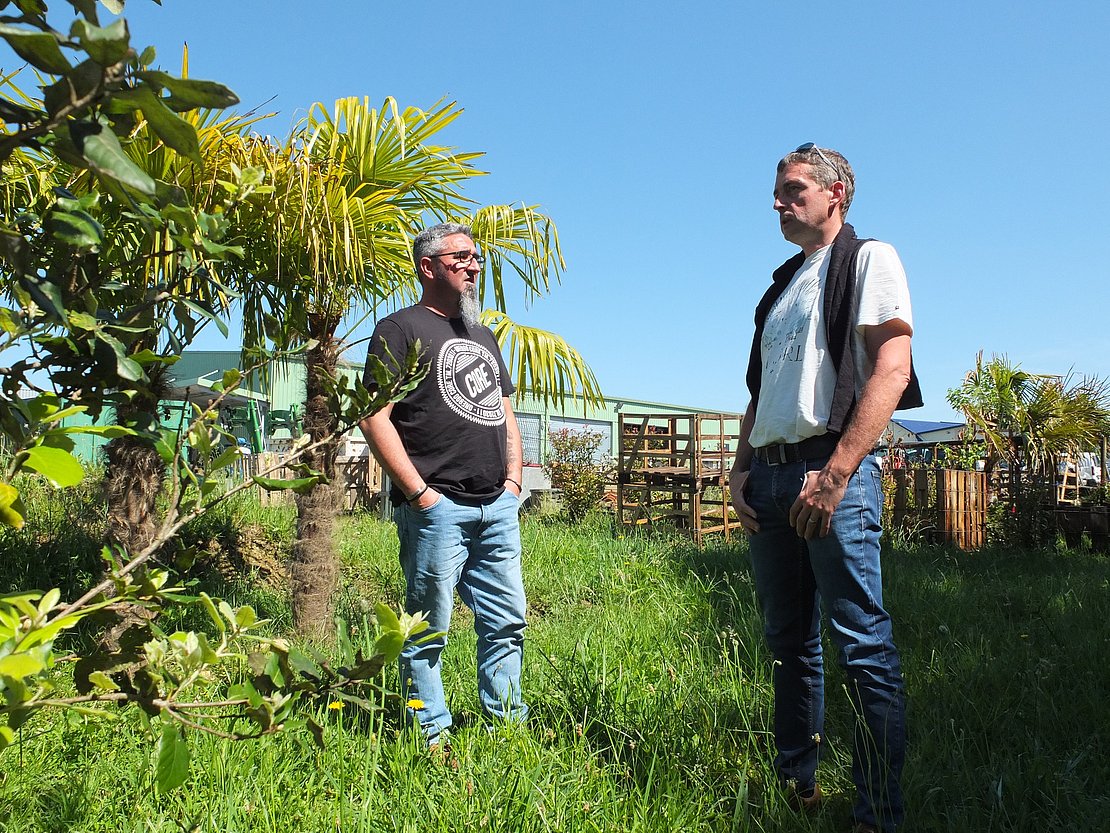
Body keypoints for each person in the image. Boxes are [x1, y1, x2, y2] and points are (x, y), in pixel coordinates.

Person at [729, 144, 922, 832]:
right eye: (778, 190)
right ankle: (796, 785)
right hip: (773, 474)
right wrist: (740, 469)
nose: (778, 202)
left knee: (861, 643)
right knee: (788, 641)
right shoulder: (782, 283)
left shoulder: (870, 259)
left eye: (792, 189)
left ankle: (876, 813)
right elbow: (761, 392)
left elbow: (891, 369)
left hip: (829, 471)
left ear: (835, 192)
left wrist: (837, 473)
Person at [359, 222, 526, 748]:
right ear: (427, 266)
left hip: (496, 507)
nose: (474, 266)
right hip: (438, 508)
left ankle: (506, 725)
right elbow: (374, 416)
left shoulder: (483, 335)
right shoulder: (400, 329)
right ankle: (431, 733)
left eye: (477, 258)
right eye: (462, 257)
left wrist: (514, 481)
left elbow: (504, 411)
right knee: (427, 628)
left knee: (506, 622)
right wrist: (419, 494)